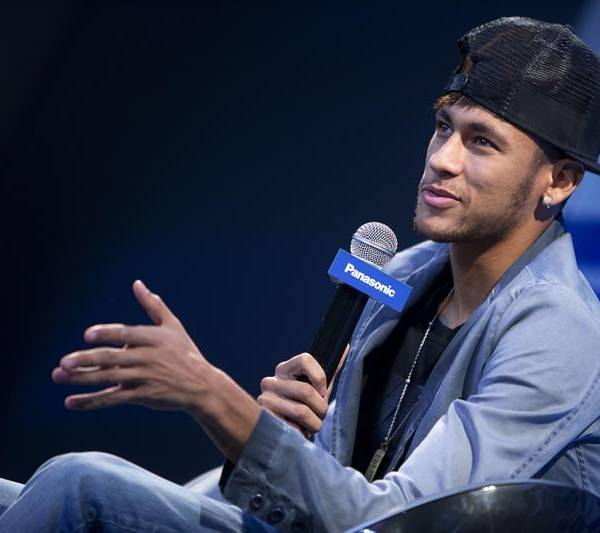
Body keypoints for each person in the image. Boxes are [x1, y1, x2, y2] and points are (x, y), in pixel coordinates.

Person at [2, 15, 600, 532]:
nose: (442, 159)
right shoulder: (406, 273)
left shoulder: (559, 332)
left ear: (559, 181)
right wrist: (287, 434)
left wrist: (210, 395)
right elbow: (335, 481)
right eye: (444, 126)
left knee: (78, 484)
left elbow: (399, 521)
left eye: (482, 143)